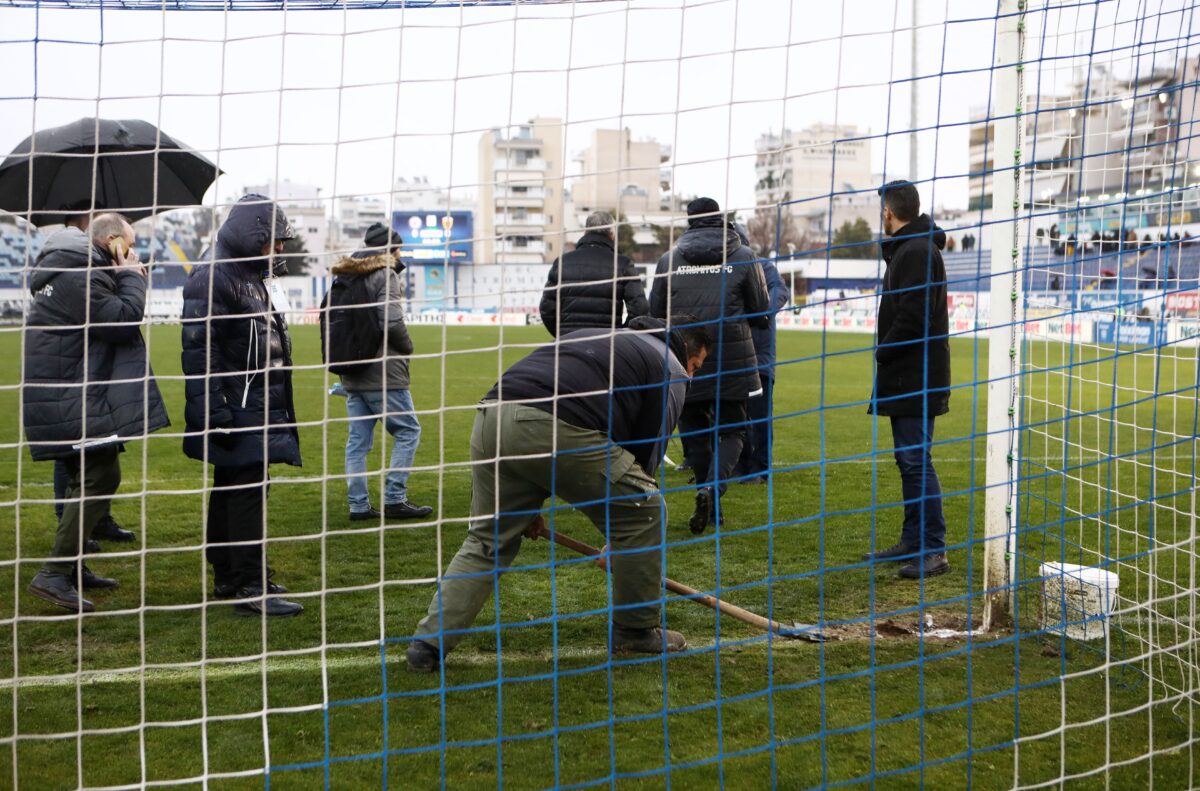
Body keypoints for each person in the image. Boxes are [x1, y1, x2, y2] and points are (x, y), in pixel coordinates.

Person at [406, 317, 714, 672]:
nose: (692, 377)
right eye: (696, 367)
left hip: (491, 418)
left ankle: (427, 645)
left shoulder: (604, 336)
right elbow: (643, 468)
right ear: (687, 352)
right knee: (645, 511)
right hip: (550, 428)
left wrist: (522, 507)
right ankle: (635, 630)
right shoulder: (670, 366)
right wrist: (625, 541)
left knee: (487, 541)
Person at [23, 213, 170, 612]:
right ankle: (54, 573)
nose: (134, 251)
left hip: (67, 389)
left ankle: (70, 569)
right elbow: (122, 321)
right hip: (73, 390)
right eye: (131, 243)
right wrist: (132, 276)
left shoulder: (71, 267)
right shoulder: (79, 273)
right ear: (113, 242)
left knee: (80, 477)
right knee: (101, 474)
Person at [181, 194, 304, 617]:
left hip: (252, 401)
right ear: (255, 235)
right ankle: (251, 585)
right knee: (245, 491)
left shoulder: (249, 272)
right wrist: (215, 413)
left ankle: (232, 576)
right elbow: (199, 351)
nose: (282, 248)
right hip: (238, 404)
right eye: (277, 240)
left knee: (238, 487)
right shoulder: (216, 274)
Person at [650, 197, 769, 534]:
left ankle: (707, 495)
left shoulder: (669, 260)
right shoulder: (745, 257)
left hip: (684, 359)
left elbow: (655, 314)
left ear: (689, 222)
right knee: (733, 429)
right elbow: (761, 312)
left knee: (694, 431)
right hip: (733, 361)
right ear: (722, 220)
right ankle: (711, 491)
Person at [862, 181, 950, 580]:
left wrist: (883, 350)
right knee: (908, 461)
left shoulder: (915, 250)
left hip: (916, 375)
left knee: (916, 460)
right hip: (909, 374)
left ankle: (934, 549)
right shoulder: (910, 248)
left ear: (888, 212)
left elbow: (915, 317)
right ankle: (913, 540)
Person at [323, 222, 432, 522]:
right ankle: (395, 498)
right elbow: (392, 322)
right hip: (383, 373)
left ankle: (358, 505)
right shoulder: (386, 274)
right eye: (398, 248)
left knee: (357, 442)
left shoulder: (347, 275)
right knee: (409, 431)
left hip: (352, 373)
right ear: (390, 250)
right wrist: (407, 346)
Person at [45, 203, 135, 553]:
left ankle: (93, 525)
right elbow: (118, 318)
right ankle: (68, 538)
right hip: (71, 378)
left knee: (99, 460)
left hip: (88, 374)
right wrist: (127, 277)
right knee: (79, 461)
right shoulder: (72, 264)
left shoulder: (87, 263)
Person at [732, 224, 789, 485]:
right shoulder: (727, 269)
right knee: (735, 415)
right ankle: (740, 465)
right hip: (733, 356)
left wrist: (760, 312)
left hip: (760, 358)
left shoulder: (763, 266)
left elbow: (780, 291)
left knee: (760, 416)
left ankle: (760, 468)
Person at [538, 211, 649, 337]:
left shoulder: (562, 263)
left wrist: (563, 334)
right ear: (612, 235)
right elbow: (640, 309)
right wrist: (620, 334)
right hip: (607, 345)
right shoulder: (623, 264)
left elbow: (547, 308)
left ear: (585, 232)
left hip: (568, 344)